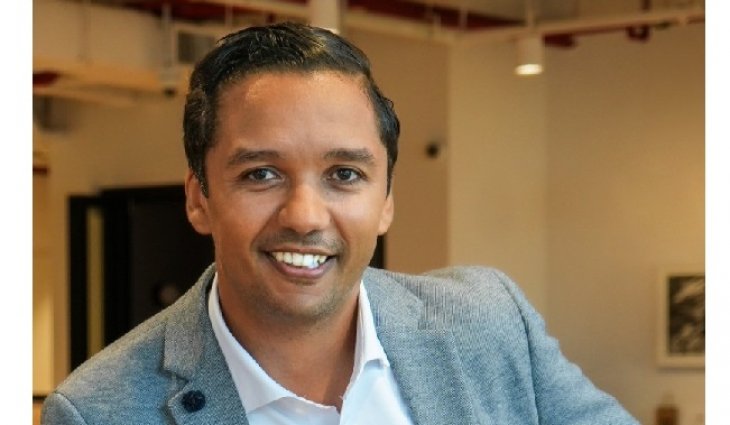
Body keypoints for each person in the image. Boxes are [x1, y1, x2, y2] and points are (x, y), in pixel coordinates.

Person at [42, 22, 638, 424]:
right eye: (261, 174)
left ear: (386, 201)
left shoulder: (488, 323)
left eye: (345, 174)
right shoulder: (101, 411)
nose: (305, 216)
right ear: (199, 199)